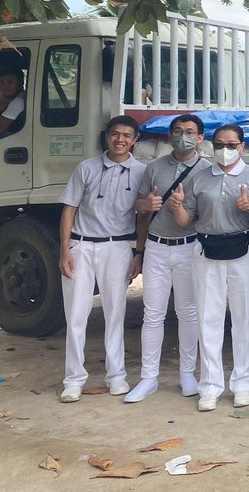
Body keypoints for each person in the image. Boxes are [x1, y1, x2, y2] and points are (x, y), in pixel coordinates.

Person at [170, 123, 249, 412]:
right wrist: (176, 207)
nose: (225, 150)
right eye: (220, 145)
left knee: (244, 318)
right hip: (207, 249)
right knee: (208, 318)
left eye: (231, 145)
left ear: (242, 147)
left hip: (244, 249)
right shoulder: (199, 177)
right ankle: (210, 385)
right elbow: (187, 221)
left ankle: (244, 384)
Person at [57, 115, 145, 403]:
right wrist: (64, 250)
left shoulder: (142, 172)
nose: (120, 140)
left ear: (135, 140)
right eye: (115, 134)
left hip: (117, 249)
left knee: (115, 314)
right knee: (76, 315)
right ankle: (73, 380)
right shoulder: (87, 168)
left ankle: (117, 375)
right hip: (81, 247)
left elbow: (143, 216)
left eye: (127, 135)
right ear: (107, 137)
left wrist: (138, 253)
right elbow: (69, 209)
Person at [125, 114, 211, 404]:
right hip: (157, 247)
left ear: (200, 138)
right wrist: (145, 208)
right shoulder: (154, 168)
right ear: (169, 136)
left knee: (188, 313)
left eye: (189, 132)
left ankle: (188, 374)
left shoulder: (207, 171)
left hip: (189, 247)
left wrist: (179, 211)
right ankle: (148, 378)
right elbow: (140, 209)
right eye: (177, 131)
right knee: (153, 313)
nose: (182, 136)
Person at [0, 66, 26, 137]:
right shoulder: (10, 98)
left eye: (10, 82)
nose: (5, 86)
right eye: (1, 82)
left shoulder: (19, 102)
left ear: (21, 83)